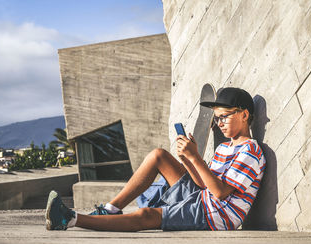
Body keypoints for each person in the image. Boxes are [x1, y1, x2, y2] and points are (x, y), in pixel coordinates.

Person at [45, 87, 266, 231]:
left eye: (223, 117)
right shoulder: (225, 148)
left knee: (147, 215)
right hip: (205, 198)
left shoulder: (250, 151)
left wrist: (195, 157)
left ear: (244, 115)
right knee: (159, 155)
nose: (219, 123)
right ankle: (110, 209)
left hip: (216, 215)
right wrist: (187, 159)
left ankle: (71, 218)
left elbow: (219, 192)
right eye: (216, 119)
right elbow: (203, 184)